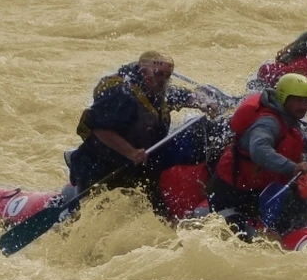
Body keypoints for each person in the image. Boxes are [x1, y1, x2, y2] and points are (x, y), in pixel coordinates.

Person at [67, 50, 218, 218]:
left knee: (157, 215)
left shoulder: (160, 91)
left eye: (167, 76)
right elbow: (100, 129)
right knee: (92, 214)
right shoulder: (122, 94)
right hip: (100, 166)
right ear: (143, 71)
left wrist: (203, 102)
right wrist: (130, 152)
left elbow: (185, 96)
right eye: (159, 74)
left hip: (138, 166)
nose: (163, 80)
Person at [207, 73, 307, 239]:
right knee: (241, 241)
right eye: (298, 100)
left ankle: (294, 230)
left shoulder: (288, 117)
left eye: (306, 101)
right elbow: (259, 150)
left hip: (258, 191)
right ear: (284, 98)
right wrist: (292, 167)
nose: (304, 106)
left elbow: (294, 143)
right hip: (230, 194)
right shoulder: (268, 122)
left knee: (294, 206)